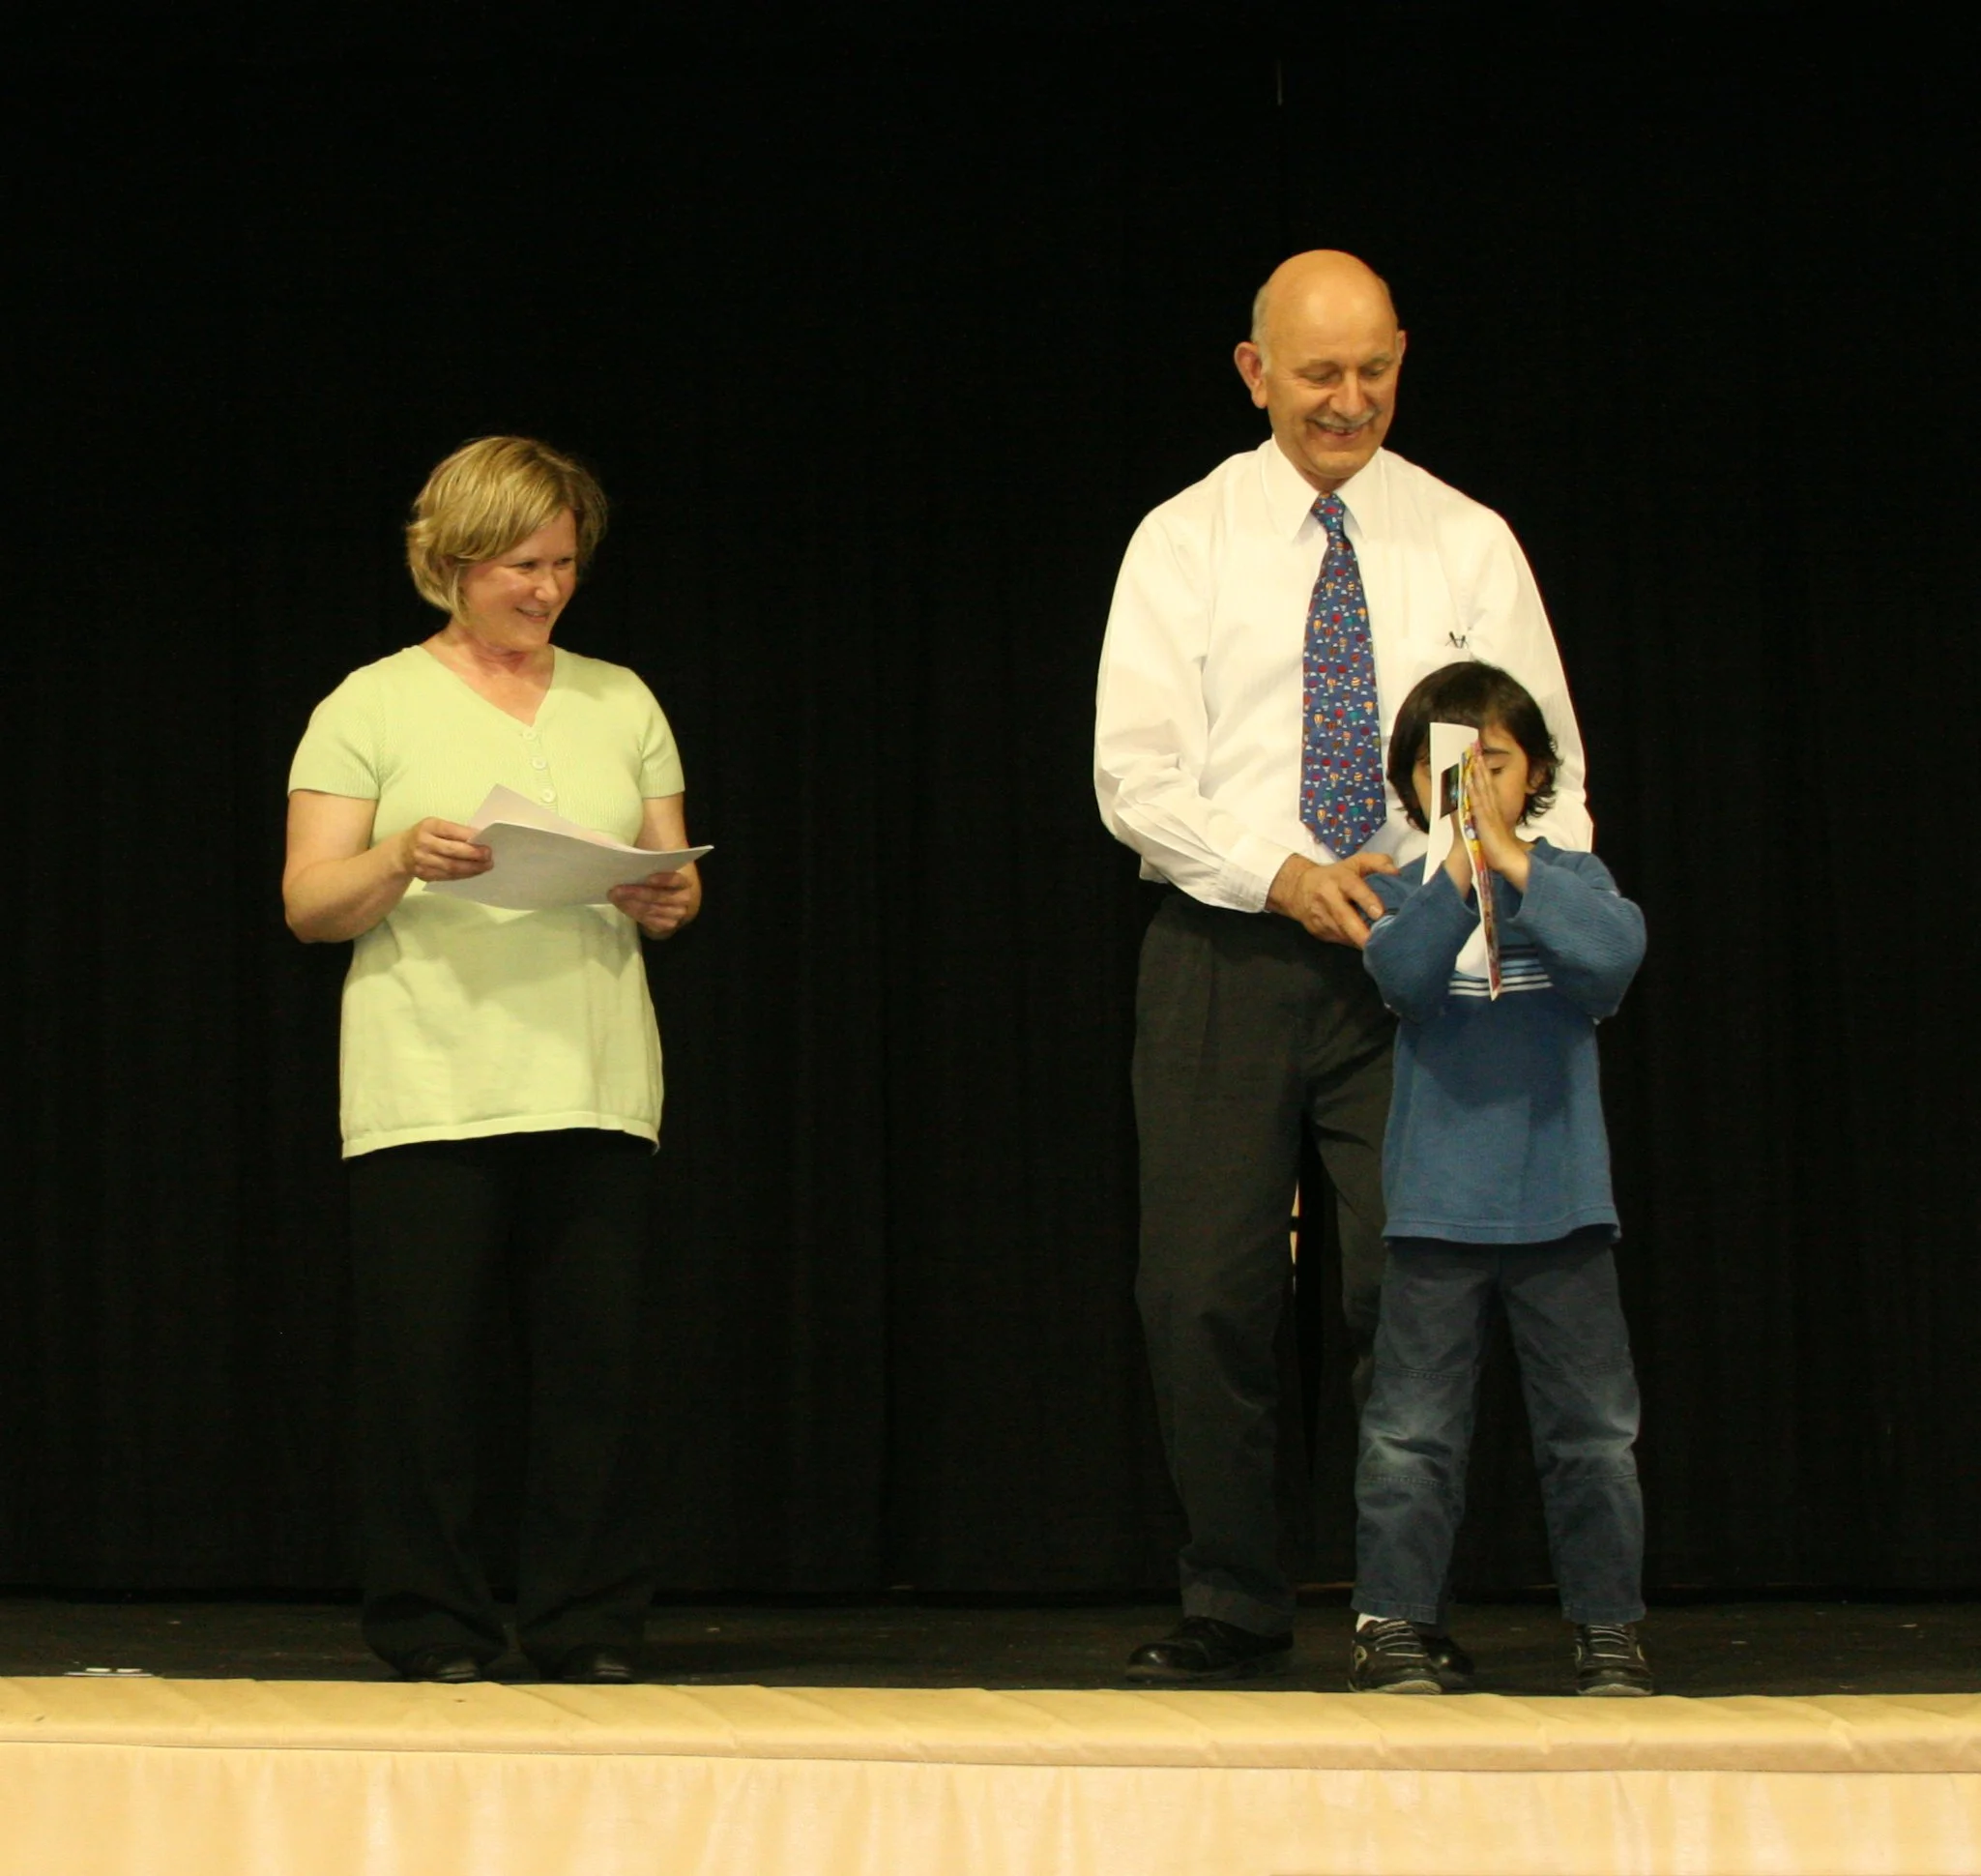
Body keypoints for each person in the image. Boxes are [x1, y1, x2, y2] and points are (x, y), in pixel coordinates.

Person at [1094, 249, 1593, 1685]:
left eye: (1373, 369)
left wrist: (1483, 886)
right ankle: (1236, 1602)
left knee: (1407, 1288)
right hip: (1226, 949)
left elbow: (1549, 771)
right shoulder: (1181, 541)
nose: (1349, 400)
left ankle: (1398, 1608)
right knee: (1201, 1293)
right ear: (1254, 372)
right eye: (1319, 373)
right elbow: (1133, 774)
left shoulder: (1465, 542)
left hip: (1421, 956)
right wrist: (1281, 871)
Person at [282, 435, 701, 1684]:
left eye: (565, 563)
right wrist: (403, 852)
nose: (548, 590)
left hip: (592, 1076)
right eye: (522, 565)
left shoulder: (620, 699)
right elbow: (310, 904)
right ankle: (434, 1625)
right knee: (427, 1379)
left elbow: (671, 873)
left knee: (595, 1375)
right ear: (452, 562)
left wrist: (663, 900)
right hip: (429, 1086)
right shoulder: (370, 703)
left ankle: (588, 1625)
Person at [1347, 661, 1651, 1696]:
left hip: (1562, 1207)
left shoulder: (1575, 880)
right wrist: (1455, 869)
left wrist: (1515, 863)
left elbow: (1611, 963)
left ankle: (1608, 1627)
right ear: (1416, 782)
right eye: (1452, 766)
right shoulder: (1402, 890)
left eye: (1496, 761)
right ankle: (1390, 1622)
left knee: (1593, 1438)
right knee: (1411, 1434)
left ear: (1534, 775)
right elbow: (1403, 977)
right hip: (1437, 1211)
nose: (1474, 782)